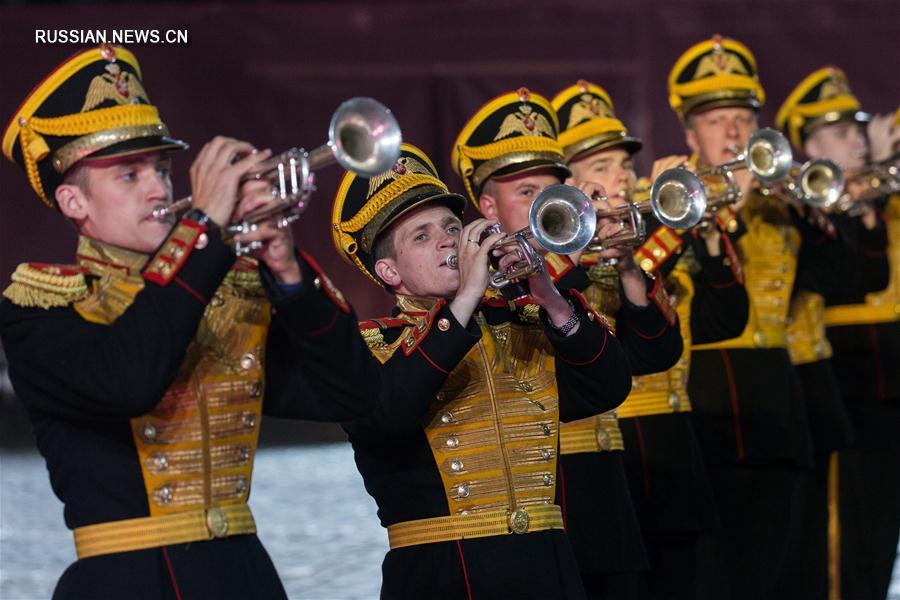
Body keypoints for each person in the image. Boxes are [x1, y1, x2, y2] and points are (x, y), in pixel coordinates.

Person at [0, 44, 379, 599]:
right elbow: (131, 376)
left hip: (244, 574)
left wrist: (290, 274)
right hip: (128, 581)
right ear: (73, 202)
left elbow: (351, 398)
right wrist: (203, 229)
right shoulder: (39, 304)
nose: (158, 188)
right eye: (128, 175)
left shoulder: (220, 285)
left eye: (160, 168)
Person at [333, 138, 632, 598]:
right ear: (390, 273)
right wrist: (467, 299)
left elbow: (609, 386)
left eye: (451, 226)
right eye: (422, 235)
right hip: (444, 576)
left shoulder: (522, 322)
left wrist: (549, 297)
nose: (449, 241)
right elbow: (385, 419)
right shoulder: (374, 344)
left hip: (549, 570)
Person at [551, 80, 748, 600]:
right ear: (564, 185)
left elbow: (724, 319)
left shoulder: (650, 224)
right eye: (600, 168)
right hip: (599, 452)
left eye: (622, 165)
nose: (620, 178)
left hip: (669, 445)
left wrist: (703, 229)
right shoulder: (560, 258)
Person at [666, 34, 829, 599]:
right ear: (690, 135)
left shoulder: (780, 198)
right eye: (716, 120)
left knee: (786, 571)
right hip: (704, 402)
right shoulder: (668, 197)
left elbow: (846, 278)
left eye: (742, 117)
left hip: (780, 406)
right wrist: (722, 205)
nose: (734, 132)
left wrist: (808, 204)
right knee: (717, 576)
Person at [777, 66, 899, 600]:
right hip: (848, 380)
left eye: (859, 130)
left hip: (889, 376)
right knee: (846, 534)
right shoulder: (807, 207)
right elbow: (850, 281)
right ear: (807, 144)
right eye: (841, 132)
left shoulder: (880, 193)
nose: (856, 141)